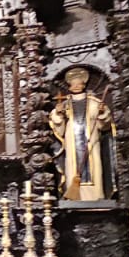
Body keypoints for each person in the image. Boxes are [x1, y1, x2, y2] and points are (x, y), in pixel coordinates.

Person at [49, 66, 113, 200]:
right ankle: (74, 195)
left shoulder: (95, 103)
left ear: (84, 85)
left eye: (79, 84)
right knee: (72, 165)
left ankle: (96, 195)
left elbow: (104, 125)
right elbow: (58, 126)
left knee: (94, 165)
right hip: (72, 139)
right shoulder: (65, 104)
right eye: (74, 84)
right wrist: (59, 114)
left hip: (91, 138)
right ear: (69, 86)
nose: (77, 87)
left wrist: (102, 113)